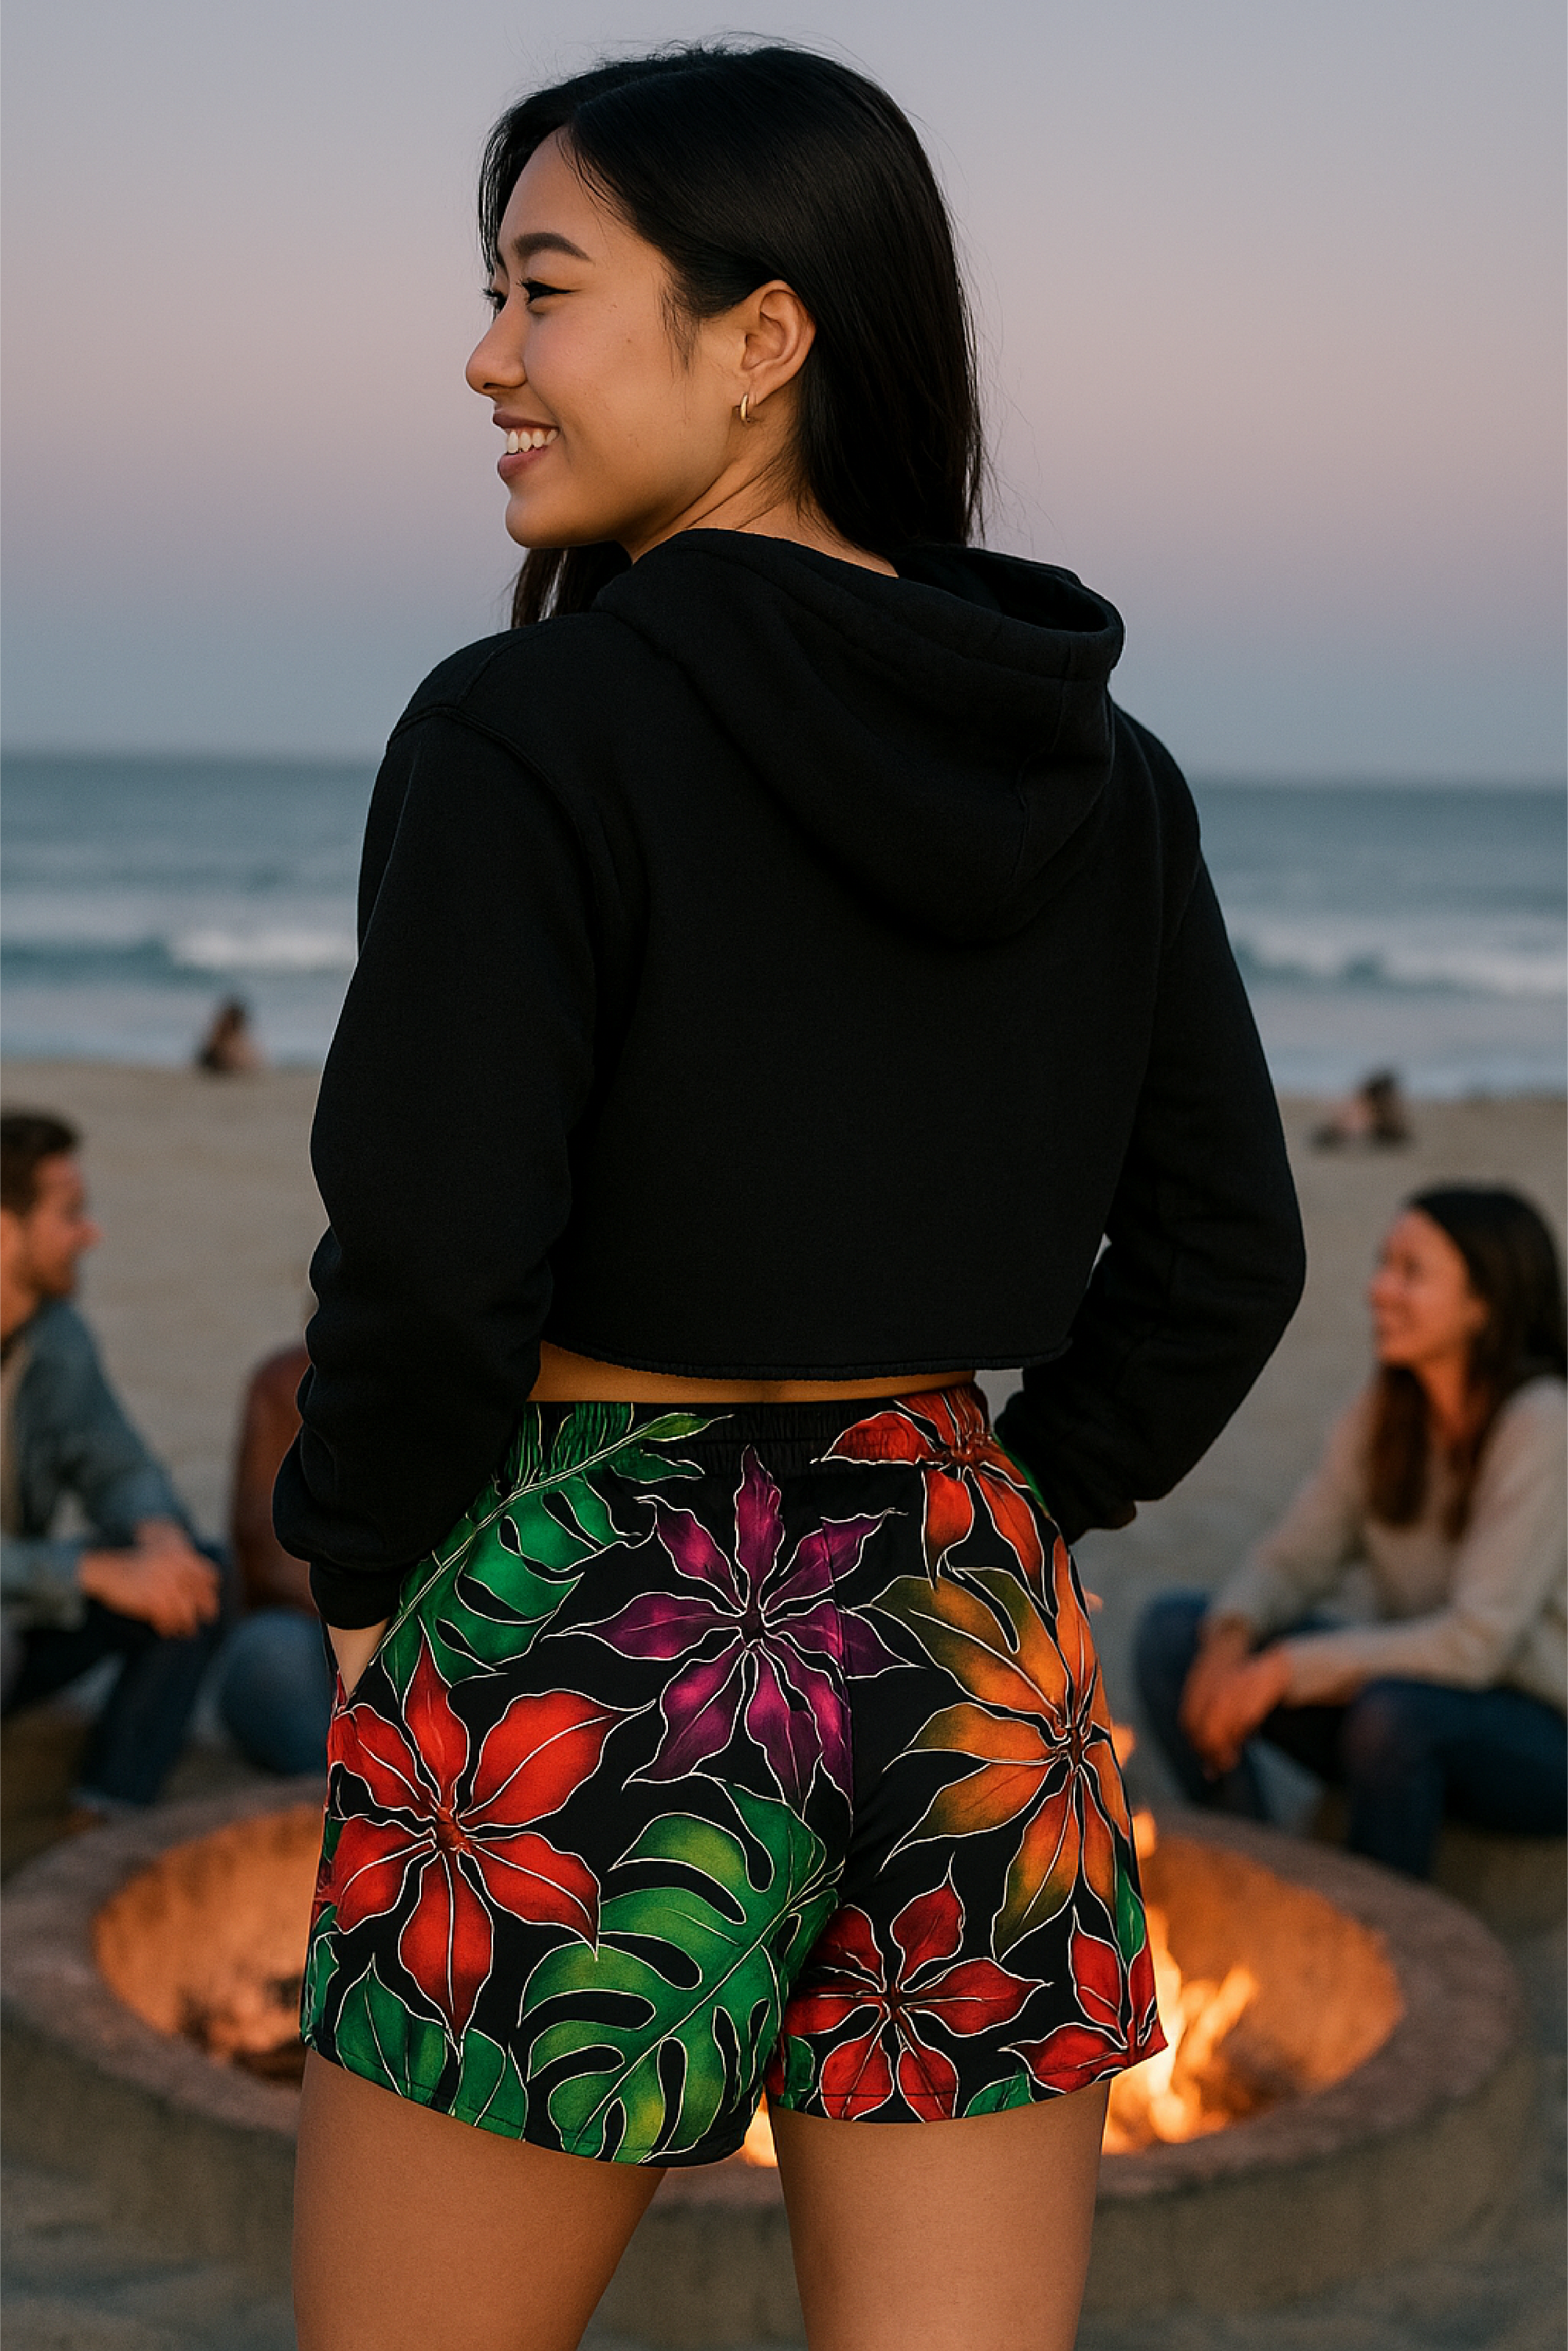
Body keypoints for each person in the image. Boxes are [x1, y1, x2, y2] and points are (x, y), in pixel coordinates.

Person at [273, 46, 1305, 2351]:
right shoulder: (1093, 767)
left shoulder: (527, 729)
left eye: (543, 293)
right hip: (969, 1624)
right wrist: (1005, 1500)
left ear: (765, 338)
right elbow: (1233, 1244)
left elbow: (438, 1258)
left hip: (588, 1598)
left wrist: (363, 1572)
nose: (487, 357)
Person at [1138, 1186, 1568, 1880]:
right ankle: (1255, 1878)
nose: (1378, 1290)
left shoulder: (1542, 1423)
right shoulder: (1387, 1408)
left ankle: (1388, 1931)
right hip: (1403, 1698)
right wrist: (1232, 1634)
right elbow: (1297, 1555)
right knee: (1171, 1637)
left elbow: (1477, 1645)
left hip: (1535, 1736)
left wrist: (1282, 1671)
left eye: (1410, 1270)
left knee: (1392, 1715)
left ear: (1482, 1303)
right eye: (1381, 1264)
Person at [0, 1111, 223, 1817]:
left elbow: (118, 1466)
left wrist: (157, 1535)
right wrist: (90, 1570)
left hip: (21, 1611)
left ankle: (103, 1819)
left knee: (195, 1573)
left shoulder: (54, 1336)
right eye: (69, 1213)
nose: (90, 1232)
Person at [214, 1341, 332, 1775]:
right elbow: (267, 1556)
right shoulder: (286, 1385)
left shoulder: (465, 1388)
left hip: (422, 1644)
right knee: (269, 1654)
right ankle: (348, 1807)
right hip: (309, 1635)